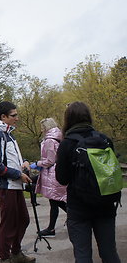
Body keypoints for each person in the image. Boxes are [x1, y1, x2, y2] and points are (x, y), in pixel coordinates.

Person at [55, 102, 121, 263]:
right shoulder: (104, 139)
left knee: (83, 255)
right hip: (105, 204)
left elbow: (61, 179)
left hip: (79, 208)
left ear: (68, 119)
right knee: (109, 253)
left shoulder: (66, 144)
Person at [0, 101, 35, 263]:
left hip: (15, 185)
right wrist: (18, 175)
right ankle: (5, 258)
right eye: (14, 115)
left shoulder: (8, 134)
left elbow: (12, 158)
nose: (17, 118)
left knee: (23, 220)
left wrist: (25, 162)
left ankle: (16, 253)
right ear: (3, 117)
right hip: (6, 186)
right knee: (8, 225)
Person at [32, 118, 66, 238]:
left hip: (52, 174)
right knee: (56, 201)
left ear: (46, 127)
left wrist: (37, 163)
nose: (41, 130)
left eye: (42, 127)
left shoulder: (49, 141)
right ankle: (52, 227)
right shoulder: (60, 137)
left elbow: (50, 160)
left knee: (56, 200)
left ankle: (52, 228)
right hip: (58, 171)